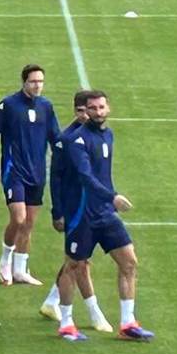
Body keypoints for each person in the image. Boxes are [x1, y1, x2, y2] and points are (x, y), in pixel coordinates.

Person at [52, 90, 153, 342]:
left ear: (108, 108)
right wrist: (112, 197)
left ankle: (128, 323)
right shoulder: (77, 141)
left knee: (129, 262)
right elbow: (86, 177)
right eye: (92, 108)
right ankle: (66, 323)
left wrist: (110, 200)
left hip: (105, 215)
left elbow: (103, 174)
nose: (97, 112)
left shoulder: (108, 135)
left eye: (101, 107)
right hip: (81, 215)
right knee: (73, 265)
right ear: (85, 110)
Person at [39, 91, 109, 330]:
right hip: (74, 208)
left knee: (75, 259)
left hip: (90, 206)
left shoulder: (95, 136)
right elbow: (56, 178)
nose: (85, 115)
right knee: (80, 261)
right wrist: (57, 211)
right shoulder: (65, 140)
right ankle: (93, 312)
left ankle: (52, 300)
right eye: (81, 111)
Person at [0, 64, 58, 286]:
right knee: (18, 219)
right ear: (24, 82)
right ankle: (5, 261)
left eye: (41, 82)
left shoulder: (46, 107)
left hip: (37, 173)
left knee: (28, 224)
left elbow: (56, 138)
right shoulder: (8, 105)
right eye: (33, 81)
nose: (38, 85)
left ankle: (20, 270)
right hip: (14, 171)